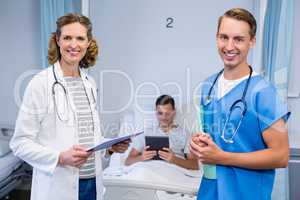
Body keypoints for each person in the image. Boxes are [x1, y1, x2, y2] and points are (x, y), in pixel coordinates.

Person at [10, 13, 129, 200]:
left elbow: (88, 137)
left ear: (88, 42)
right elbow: (19, 143)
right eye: (67, 38)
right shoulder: (40, 83)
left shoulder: (90, 84)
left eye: (80, 38)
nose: (74, 45)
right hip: (59, 186)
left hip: (92, 183)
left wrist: (110, 147)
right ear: (58, 40)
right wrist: (59, 157)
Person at [189, 8, 290, 200]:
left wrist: (222, 157)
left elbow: (281, 156)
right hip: (210, 191)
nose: (229, 46)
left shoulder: (263, 92)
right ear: (216, 38)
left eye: (239, 39)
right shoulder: (207, 86)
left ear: (252, 42)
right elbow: (214, 139)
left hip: (246, 193)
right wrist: (197, 145)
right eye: (223, 37)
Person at [125, 95, 198, 170]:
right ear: (156, 112)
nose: (163, 117)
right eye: (160, 113)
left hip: (173, 172)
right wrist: (141, 157)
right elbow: (128, 161)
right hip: (149, 171)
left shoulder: (185, 134)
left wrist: (174, 159)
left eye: (167, 113)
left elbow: (194, 165)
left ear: (174, 112)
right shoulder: (147, 132)